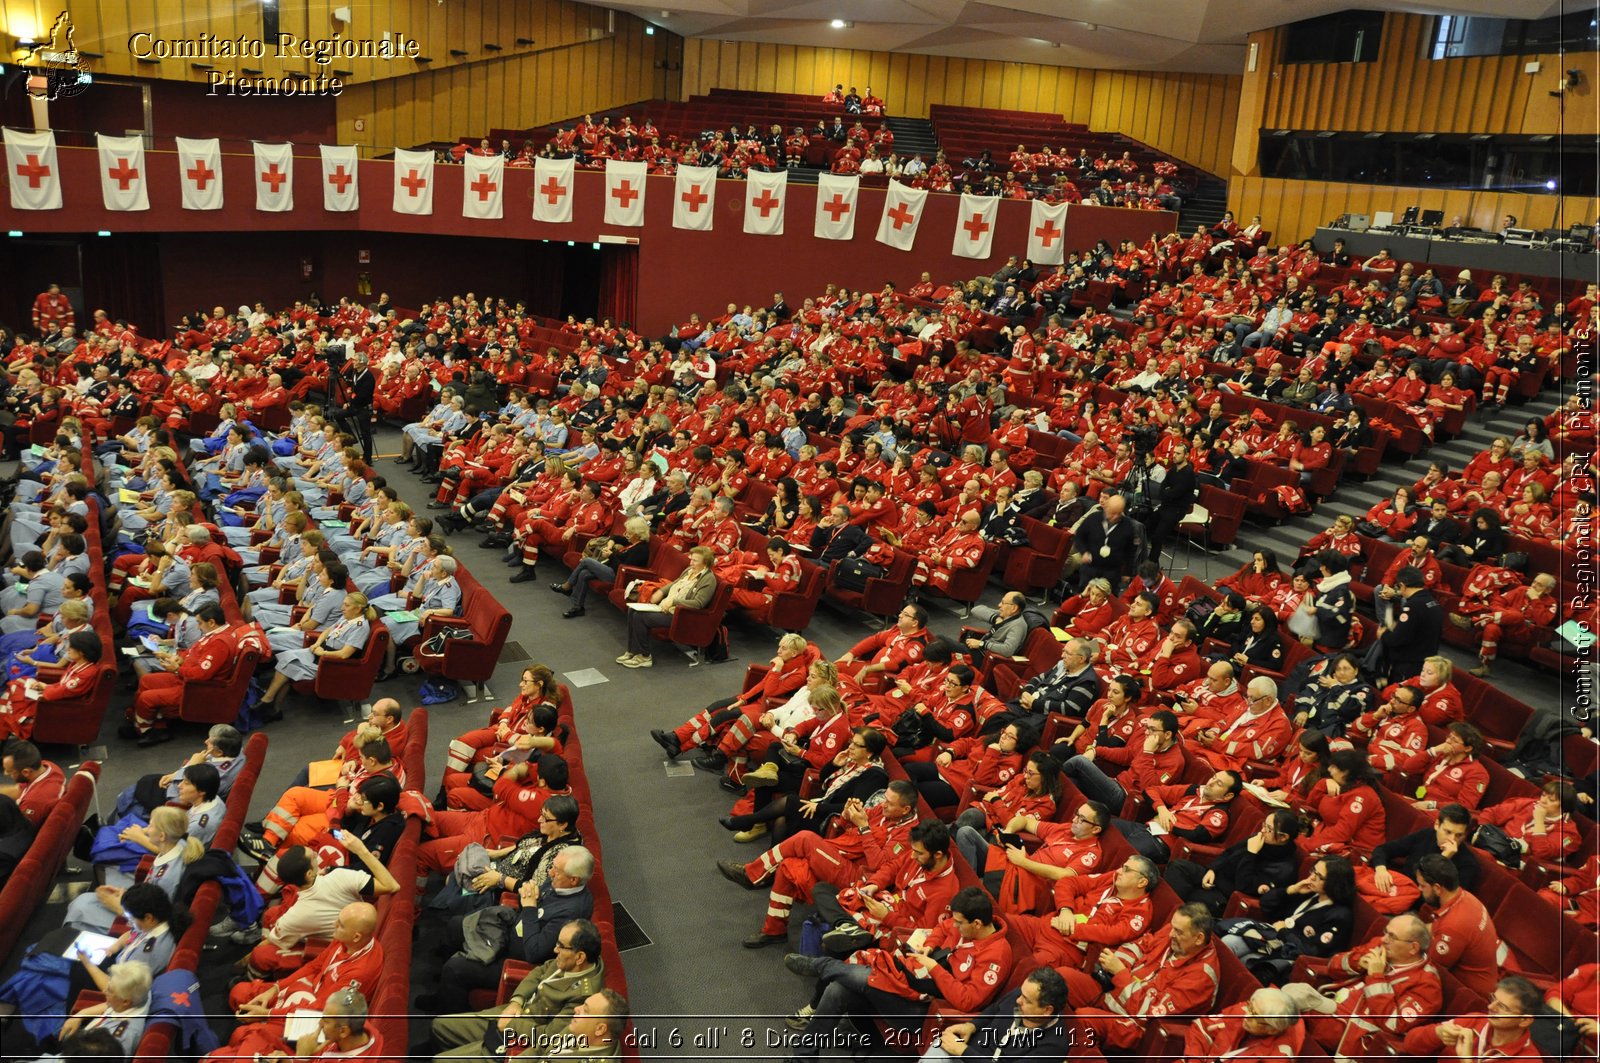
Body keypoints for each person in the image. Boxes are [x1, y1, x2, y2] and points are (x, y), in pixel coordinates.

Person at [781, 887, 1011, 1059]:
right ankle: (802, 1058)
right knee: (837, 990)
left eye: (961, 923)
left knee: (867, 978)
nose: (956, 926)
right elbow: (943, 927)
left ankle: (822, 966)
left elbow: (968, 1000)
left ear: (978, 923)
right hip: (914, 982)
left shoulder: (996, 956)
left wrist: (934, 968)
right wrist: (929, 946)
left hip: (924, 1010)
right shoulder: (966, 926)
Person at [427, 846, 598, 1015]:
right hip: (512, 930)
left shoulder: (572, 912)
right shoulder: (559, 882)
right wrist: (526, 895)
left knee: (455, 968)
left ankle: (445, 1023)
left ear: (574, 880)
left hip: (519, 959)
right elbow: (532, 903)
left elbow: (534, 952)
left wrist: (530, 907)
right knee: (457, 925)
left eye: (556, 870)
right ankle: (444, 991)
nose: (550, 872)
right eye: (552, 866)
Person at [428, 918, 606, 1060]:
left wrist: (511, 1024)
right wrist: (516, 1001)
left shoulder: (583, 997)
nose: (555, 949)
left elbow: (549, 1035)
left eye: (561, 946)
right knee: (440, 1026)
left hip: (520, 1039)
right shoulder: (570, 962)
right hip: (514, 1012)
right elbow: (540, 971)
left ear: (580, 957)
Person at [1058, 902, 1222, 1050]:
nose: (1170, 934)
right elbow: (1140, 945)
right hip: (1115, 991)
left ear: (1199, 938)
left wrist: (1121, 973)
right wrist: (1120, 963)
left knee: (1082, 1018)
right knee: (1060, 978)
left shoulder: (1201, 977)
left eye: (1178, 932)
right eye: (1172, 927)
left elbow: (1147, 1011)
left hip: (1134, 1024)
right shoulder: (1173, 933)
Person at [1281, 914, 1442, 1058]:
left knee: (1281, 1006)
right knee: (1285, 994)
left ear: (1413, 948)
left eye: (1392, 936)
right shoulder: (1381, 944)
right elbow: (1333, 964)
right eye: (1385, 932)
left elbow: (1393, 1023)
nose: (1384, 939)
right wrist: (1357, 963)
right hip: (1329, 1004)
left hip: (1350, 1036)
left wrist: (1376, 977)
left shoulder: (1427, 986)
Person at [1218, 855, 1356, 984]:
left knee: (1244, 965)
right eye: (1313, 871)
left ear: (1334, 883)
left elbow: (1312, 951)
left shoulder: (1339, 916)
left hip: (1287, 956)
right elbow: (1265, 903)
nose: (1311, 877)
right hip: (1271, 938)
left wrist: (1283, 931)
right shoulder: (1308, 891)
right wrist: (1291, 890)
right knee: (1228, 942)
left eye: (1319, 876)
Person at [916, 967, 1073, 1063]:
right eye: (1021, 993)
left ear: (1047, 1010)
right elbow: (993, 1010)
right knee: (940, 1045)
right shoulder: (1020, 996)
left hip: (967, 1054)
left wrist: (963, 1051)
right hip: (966, 1053)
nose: (1018, 1000)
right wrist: (971, 1026)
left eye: (1026, 1000)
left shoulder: (1053, 1045)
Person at [1166, 808, 1302, 916]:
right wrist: (1213, 869)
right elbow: (1229, 852)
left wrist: (1251, 854)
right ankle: (1170, 914)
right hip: (1216, 877)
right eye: (1264, 825)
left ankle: (1171, 917)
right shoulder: (1260, 838)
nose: (1262, 830)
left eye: (1269, 829)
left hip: (1226, 896)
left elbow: (1244, 887)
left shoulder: (1284, 869)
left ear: (1284, 837)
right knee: (1177, 867)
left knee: (1187, 897)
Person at [1413, 853, 1502, 998]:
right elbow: (1435, 928)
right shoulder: (1465, 897)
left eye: (1423, 885)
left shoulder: (1453, 925)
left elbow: (1431, 969)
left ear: (1437, 888)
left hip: (1469, 995)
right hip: (1484, 981)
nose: (1419, 889)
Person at [616, 544, 716, 668]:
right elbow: (675, 582)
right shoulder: (689, 571)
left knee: (640, 617)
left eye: (695, 561)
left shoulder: (708, 580)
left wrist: (674, 602)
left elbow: (698, 604)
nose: (691, 563)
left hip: (680, 615)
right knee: (632, 610)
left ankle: (644, 656)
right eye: (691, 559)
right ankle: (632, 651)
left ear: (705, 564)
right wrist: (661, 591)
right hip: (665, 608)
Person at [1370, 803, 1481, 896]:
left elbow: (1446, 900)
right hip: (1397, 887)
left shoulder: (1467, 864)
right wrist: (1381, 870)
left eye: (1459, 835)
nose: (1452, 839)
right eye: (1448, 832)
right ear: (1437, 825)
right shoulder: (1426, 835)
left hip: (1416, 904)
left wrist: (1443, 859)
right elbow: (1383, 850)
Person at [1071, 493, 1141, 592]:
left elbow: (1130, 551)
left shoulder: (1128, 526)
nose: (1115, 516)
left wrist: (1127, 572)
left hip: (1112, 570)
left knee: (1109, 599)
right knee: (1084, 594)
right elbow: (1079, 537)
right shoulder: (1093, 518)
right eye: (1112, 512)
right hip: (1091, 566)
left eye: (1118, 513)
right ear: (1106, 508)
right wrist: (1084, 552)